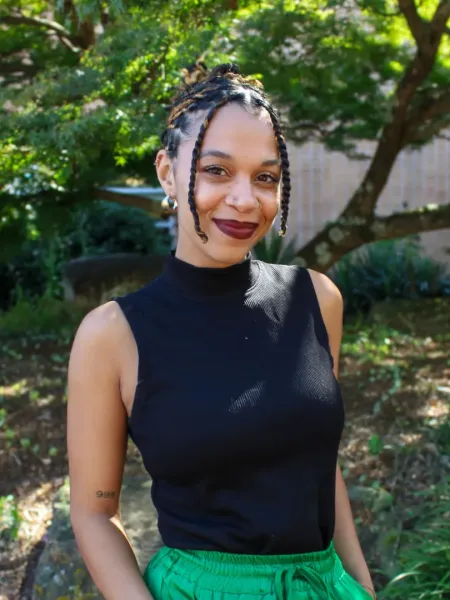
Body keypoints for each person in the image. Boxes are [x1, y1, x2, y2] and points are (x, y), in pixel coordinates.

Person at [67, 63, 376, 600]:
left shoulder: (318, 300)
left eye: (265, 177)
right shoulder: (112, 335)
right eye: (216, 170)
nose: (244, 200)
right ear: (167, 172)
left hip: (321, 585)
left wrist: (361, 585)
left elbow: (318, 463)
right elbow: (94, 514)